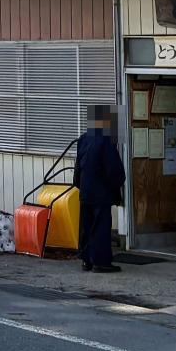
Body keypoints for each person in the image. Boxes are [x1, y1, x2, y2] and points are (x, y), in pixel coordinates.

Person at [74, 107, 126, 274]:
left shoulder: (83, 139)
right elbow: (113, 169)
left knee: (86, 225)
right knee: (101, 227)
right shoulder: (106, 141)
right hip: (101, 192)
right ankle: (101, 261)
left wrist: (79, 185)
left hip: (85, 190)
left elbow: (78, 167)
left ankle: (86, 259)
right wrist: (117, 185)